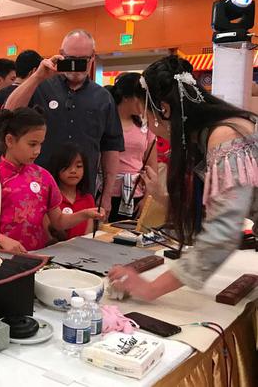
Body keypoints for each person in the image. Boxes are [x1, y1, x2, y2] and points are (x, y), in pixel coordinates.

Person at [109, 55, 258, 301]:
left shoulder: (224, 135)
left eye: (145, 117)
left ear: (164, 110)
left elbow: (221, 233)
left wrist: (150, 289)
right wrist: (161, 197)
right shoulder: (214, 132)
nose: (149, 126)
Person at [5, 30, 124, 218]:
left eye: (83, 59)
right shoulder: (41, 86)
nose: (76, 66)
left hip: (83, 193)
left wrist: (107, 196)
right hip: (37, 188)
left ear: (92, 58)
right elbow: (8, 112)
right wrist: (37, 76)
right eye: (70, 58)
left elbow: (111, 149)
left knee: (79, 245)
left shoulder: (103, 98)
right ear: (60, 54)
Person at [0, 107, 104, 253]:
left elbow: (58, 221)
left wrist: (85, 214)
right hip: (1, 256)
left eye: (40, 144)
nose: (37, 150)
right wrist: (1, 239)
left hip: (37, 256)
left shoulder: (43, 176)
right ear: (10, 140)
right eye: (32, 144)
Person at [106, 73, 157, 222]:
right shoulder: (105, 121)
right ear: (127, 96)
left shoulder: (145, 126)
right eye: (141, 97)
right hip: (104, 191)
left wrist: (148, 198)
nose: (144, 102)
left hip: (135, 193)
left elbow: (151, 165)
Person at [48, 144, 96, 240]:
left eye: (79, 166)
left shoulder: (88, 198)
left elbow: (88, 234)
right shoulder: (50, 197)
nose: (73, 171)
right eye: (67, 166)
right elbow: (49, 236)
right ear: (56, 167)